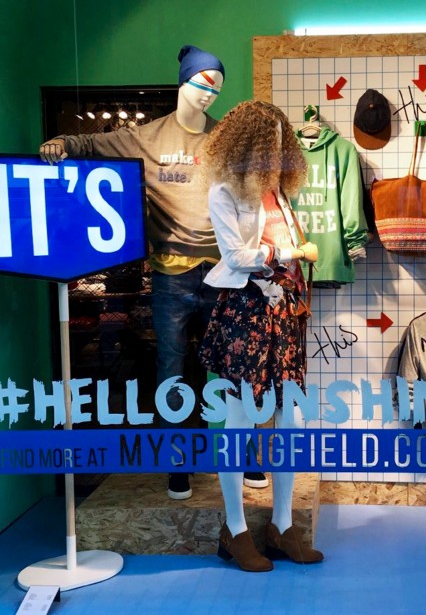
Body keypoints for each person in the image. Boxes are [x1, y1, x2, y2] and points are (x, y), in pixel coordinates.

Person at [39, 45, 267, 497]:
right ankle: (177, 463)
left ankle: (243, 456)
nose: (209, 94)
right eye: (203, 83)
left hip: (224, 273)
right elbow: (94, 144)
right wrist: (62, 143)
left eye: (217, 88)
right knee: (172, 370)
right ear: (184, 81)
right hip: (171, 274)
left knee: (234, 368)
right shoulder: (147, 137)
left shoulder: (225, 138)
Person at [199, 99, 324, 571]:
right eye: (267, 141)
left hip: (284, 314)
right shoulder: (224, 191)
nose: (275, 151)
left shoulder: (279, 192)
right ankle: (234, 530)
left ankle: (282, 525)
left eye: (280, 141)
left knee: (288, 421)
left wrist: (293, 254)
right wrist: (292, 252)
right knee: (238, 423)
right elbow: (235, 257)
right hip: (245, 315)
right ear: (245, 143)